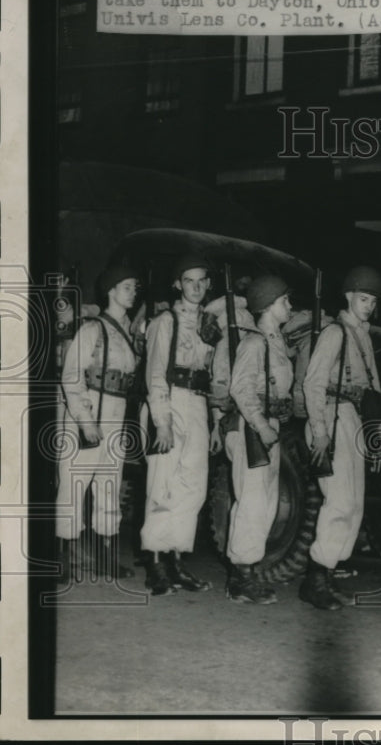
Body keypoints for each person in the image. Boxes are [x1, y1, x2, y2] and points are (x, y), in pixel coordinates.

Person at [301, 266, 381, 610]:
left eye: (373, 301)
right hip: (332, 418)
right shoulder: (336, 333)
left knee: (354, 504)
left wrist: (378, 433)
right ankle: (315, 579)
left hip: (353, 420)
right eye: (363, 299)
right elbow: (313, 383)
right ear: (349, 297)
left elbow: (374, 389)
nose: (369, 306)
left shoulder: (362, 334)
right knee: (339, 502)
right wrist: (319, 431)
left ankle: (328, 572)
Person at [56, 265, 141, 582]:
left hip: (116, 412)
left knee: (110, 485)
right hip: (89, 410)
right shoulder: (92, 329)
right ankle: (62, 556)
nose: (133, 292)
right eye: (127, 286)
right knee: (74, 484)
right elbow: (72, 376)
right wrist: (85, 421)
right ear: (111, 291)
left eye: (134, 287)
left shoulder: (128, 330)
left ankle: (106, 554)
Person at [140, 255, 218, 596]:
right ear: (177, 284)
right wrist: (162, 423)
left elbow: (215, 375)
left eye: (202, 280)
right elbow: (155, 373)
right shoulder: (164, 321)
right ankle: (155, 564)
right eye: (189, 280)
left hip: (198, 403)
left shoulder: (210, 323)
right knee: (163, 483)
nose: (196, 287)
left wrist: (215, 422)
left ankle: (176, 561)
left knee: (193, 486)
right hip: (169, 400)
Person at [224, 275, 294, 604]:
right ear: (267, 306)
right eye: (284, 301)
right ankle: (240, 577)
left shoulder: (276, 342)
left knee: (265, 501)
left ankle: (250, 568)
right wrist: (261, 424)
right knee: (252, 501)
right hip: (253, 427)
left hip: (270, 426)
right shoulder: (254, 343)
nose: (289, 306)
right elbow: (240, 388)